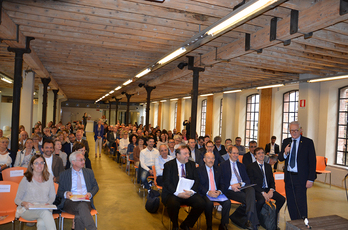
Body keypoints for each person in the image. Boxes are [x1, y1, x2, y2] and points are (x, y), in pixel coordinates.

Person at [278, 121, 316, 220]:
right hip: (289, 177)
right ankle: (294, 222)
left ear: (301, 130)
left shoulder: (308, 142)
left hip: (301, 178)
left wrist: (311, 179)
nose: (294, 132)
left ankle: (303, 222)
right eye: (292, 130)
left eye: (296, 130)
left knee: (301, 202)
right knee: (291, 201)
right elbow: (281, 158)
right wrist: (285, 153)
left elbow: (312, 162)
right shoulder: (286, 141)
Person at [162, 145, 205, 230]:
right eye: (185, 154)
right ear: (177, 155)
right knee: (173, 204)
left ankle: (186, 224)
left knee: (201, 203)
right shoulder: (169, 165)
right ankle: (175, 225)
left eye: (188, 153)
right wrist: (178, 193)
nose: (188, 155)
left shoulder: (192, 164)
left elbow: (197, 180)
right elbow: (166, 182)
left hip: (188, 192)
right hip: (173, 193)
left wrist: (191, 192)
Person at [220, 146, 259, 230]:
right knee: (250, 199)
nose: (236, 155)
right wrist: (231, 187)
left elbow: (247, 180)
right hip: (230, 189)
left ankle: (248, 219)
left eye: (237, 153)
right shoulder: (223, 165)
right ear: (229, 153)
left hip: (242, 186)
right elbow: (221, 181)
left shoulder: (241, 165)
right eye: (234, 153)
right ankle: (253, 224)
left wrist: (240, 184)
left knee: (251, 189)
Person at [58, 152, 99, 230]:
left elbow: (96, 187)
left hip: (86, 201)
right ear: (73, 162)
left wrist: (90, 194)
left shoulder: (89, 172)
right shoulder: (64, 174)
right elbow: (59, 192)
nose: (83, 161)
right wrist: (66, 194)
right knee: (82, 207)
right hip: (70, 202)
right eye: (81, 160)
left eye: (83, 159)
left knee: (80, 215)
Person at [14, 155, 57, 230]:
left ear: (44, 164)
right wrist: (24, 203)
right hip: (28, 209)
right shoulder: (26, 179)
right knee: (45, 212)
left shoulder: (49, 177)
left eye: (41, 163)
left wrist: (49, 203)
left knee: (42, 223)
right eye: (36, 163)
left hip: (44, 206)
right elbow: (17, 199)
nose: (39, 165)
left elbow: (52, 196)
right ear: (31, 166)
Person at [247, 147, 285, 229]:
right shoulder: (251, 166)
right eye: (258, 153)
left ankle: (273, 215)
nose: (261, 155)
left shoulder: (268, 166)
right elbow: (253, 183)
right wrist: (263, 193)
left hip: (268, 189)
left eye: (262, 153)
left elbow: (272, 180)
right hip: (258, 189)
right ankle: (255, 221)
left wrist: (271, 190)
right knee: (260, 201)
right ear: (255, 156)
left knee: (282, 199)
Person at [197, 152, 231, 230]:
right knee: (209, 204)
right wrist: (208, 192)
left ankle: (223, 225)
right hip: (206, 193)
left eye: (212, 158)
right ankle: (209, 226)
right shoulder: (199, 170)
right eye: (208, 158)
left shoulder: (218, 169)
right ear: (204, 160)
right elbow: (198, 184)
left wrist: (219, 191)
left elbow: (222, 183)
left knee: (227, 202)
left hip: (217, 193)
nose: (211, 160)